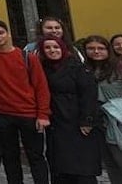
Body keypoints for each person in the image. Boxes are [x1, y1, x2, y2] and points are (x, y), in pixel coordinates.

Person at [0, 18, 51, 184]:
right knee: (9, 157)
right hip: (1, 114)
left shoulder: (27, 57)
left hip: (29, 114)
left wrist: (43, 114)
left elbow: (41, 86)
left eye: (0, 32)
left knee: (36, 157)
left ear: (8, 33)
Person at [80, 36, 122, 184]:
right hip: (100, 121)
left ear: (108, 50)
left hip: (120, 120)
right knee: (111, 163)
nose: (96, 51)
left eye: (101, 48)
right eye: (91, 48)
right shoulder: (86, 69)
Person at [39, 37, 102, 184]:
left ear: (63, 48)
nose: (52, 51)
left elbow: (88, 94)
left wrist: (87, 120)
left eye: (55, 47)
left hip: (77, 120)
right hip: (56, 122)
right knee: (61, 165)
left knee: (83, 166)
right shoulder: (42, 67)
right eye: (47, 48)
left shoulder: (77, 67)